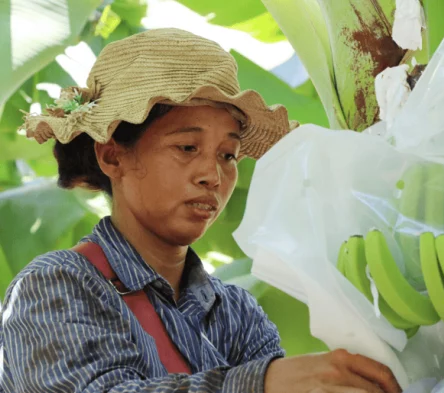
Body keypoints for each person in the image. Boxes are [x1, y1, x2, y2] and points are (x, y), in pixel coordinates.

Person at [0, 28, 402, 393]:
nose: (213, 175)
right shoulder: (56, 285)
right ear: (112, 157)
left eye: (228, 155)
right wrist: (260, 384)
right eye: (187, 148)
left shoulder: (237, 313)